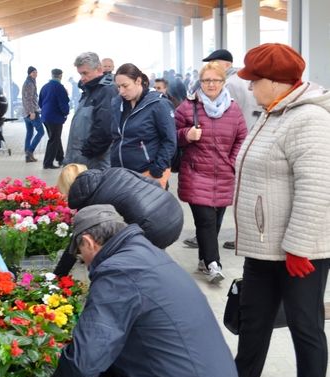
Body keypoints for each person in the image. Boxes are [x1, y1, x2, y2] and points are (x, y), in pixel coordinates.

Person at [46, 204, 238, 377]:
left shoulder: (118, 272)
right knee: (102, 367)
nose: (83, 261)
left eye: (79, 255)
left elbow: (86, 358)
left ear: (88, 242)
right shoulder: (146, 253)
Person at [233, 43, 330, 377]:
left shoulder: (310, 119)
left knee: (305, 328)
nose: (249, 87)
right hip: (263, 246)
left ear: (275, 82)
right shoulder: (272, 113)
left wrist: (298, 247)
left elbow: (317, 186)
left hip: (300, 252)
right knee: (253, 321)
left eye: (254, 80)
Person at [175, 61, 247, 284]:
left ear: (223, 82)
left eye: (215, 80)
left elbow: (242, 138)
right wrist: (186, 134)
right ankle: (214, 264)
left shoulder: (232, 108)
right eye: (206, 80)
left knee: (215, 222)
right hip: (196, 173)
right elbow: (171, 135)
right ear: (200, 82)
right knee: (205, 221)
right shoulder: (188, 107)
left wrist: (231, 162)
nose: (211, 84)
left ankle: (203, 260)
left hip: (224, 173)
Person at [184, 49, 259, 251]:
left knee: (219, 198)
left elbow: (221, 116)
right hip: (246, 143)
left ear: (225, 65)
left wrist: (229, 157)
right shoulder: (243, 81)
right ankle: (214, 239)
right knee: (237, 195)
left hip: (228, 146)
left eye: (215, 64)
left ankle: (208, 240)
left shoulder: (232, 84)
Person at [53, 163, 183, 276]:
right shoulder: (113, 171)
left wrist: (59, 274)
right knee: (151, 257)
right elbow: (152, 183)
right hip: (173, 211)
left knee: (121, 260)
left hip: (153, 226)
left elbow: (77, 239)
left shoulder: (90, 203)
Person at [110, 63, 177, 189]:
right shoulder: (117, 103)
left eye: (125, 86)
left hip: (147, 175)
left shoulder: (158, 104)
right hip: (120, 174)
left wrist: (157, 170)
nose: (121, 91)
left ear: (138, 81)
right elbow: (117, 137)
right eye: (118, 87)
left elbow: (170, 140)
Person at [64, 52, 117, 170]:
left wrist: (87, 153)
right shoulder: (89, 91)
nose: (82, 78)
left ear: (99, 69)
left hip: (95, 162)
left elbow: (104, 129)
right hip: (84, 159)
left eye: (85, 73)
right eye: (80, 73)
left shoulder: (106, 91)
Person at [38, 68, 70, 169]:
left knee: (55, 138)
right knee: (53, 139)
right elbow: (63, 102)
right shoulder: (59, 87)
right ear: (60, 75)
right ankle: (47, 163)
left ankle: (60, 158)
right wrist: (66, 113)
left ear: (52, 75)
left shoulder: (45, 87)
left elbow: (40, 102)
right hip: (55, 117)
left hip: (45, 117)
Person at [21, 66, 45, 163]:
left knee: (30, 133)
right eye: (33, 72)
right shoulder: (29, 83)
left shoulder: (30, 82)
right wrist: (31, 112)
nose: (35, 74)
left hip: (26, 113)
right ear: (29, 73)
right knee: (41, 132)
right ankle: (30, 151)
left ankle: (28, 156)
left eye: (36, 72)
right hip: (31, 113)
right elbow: (28, 99)